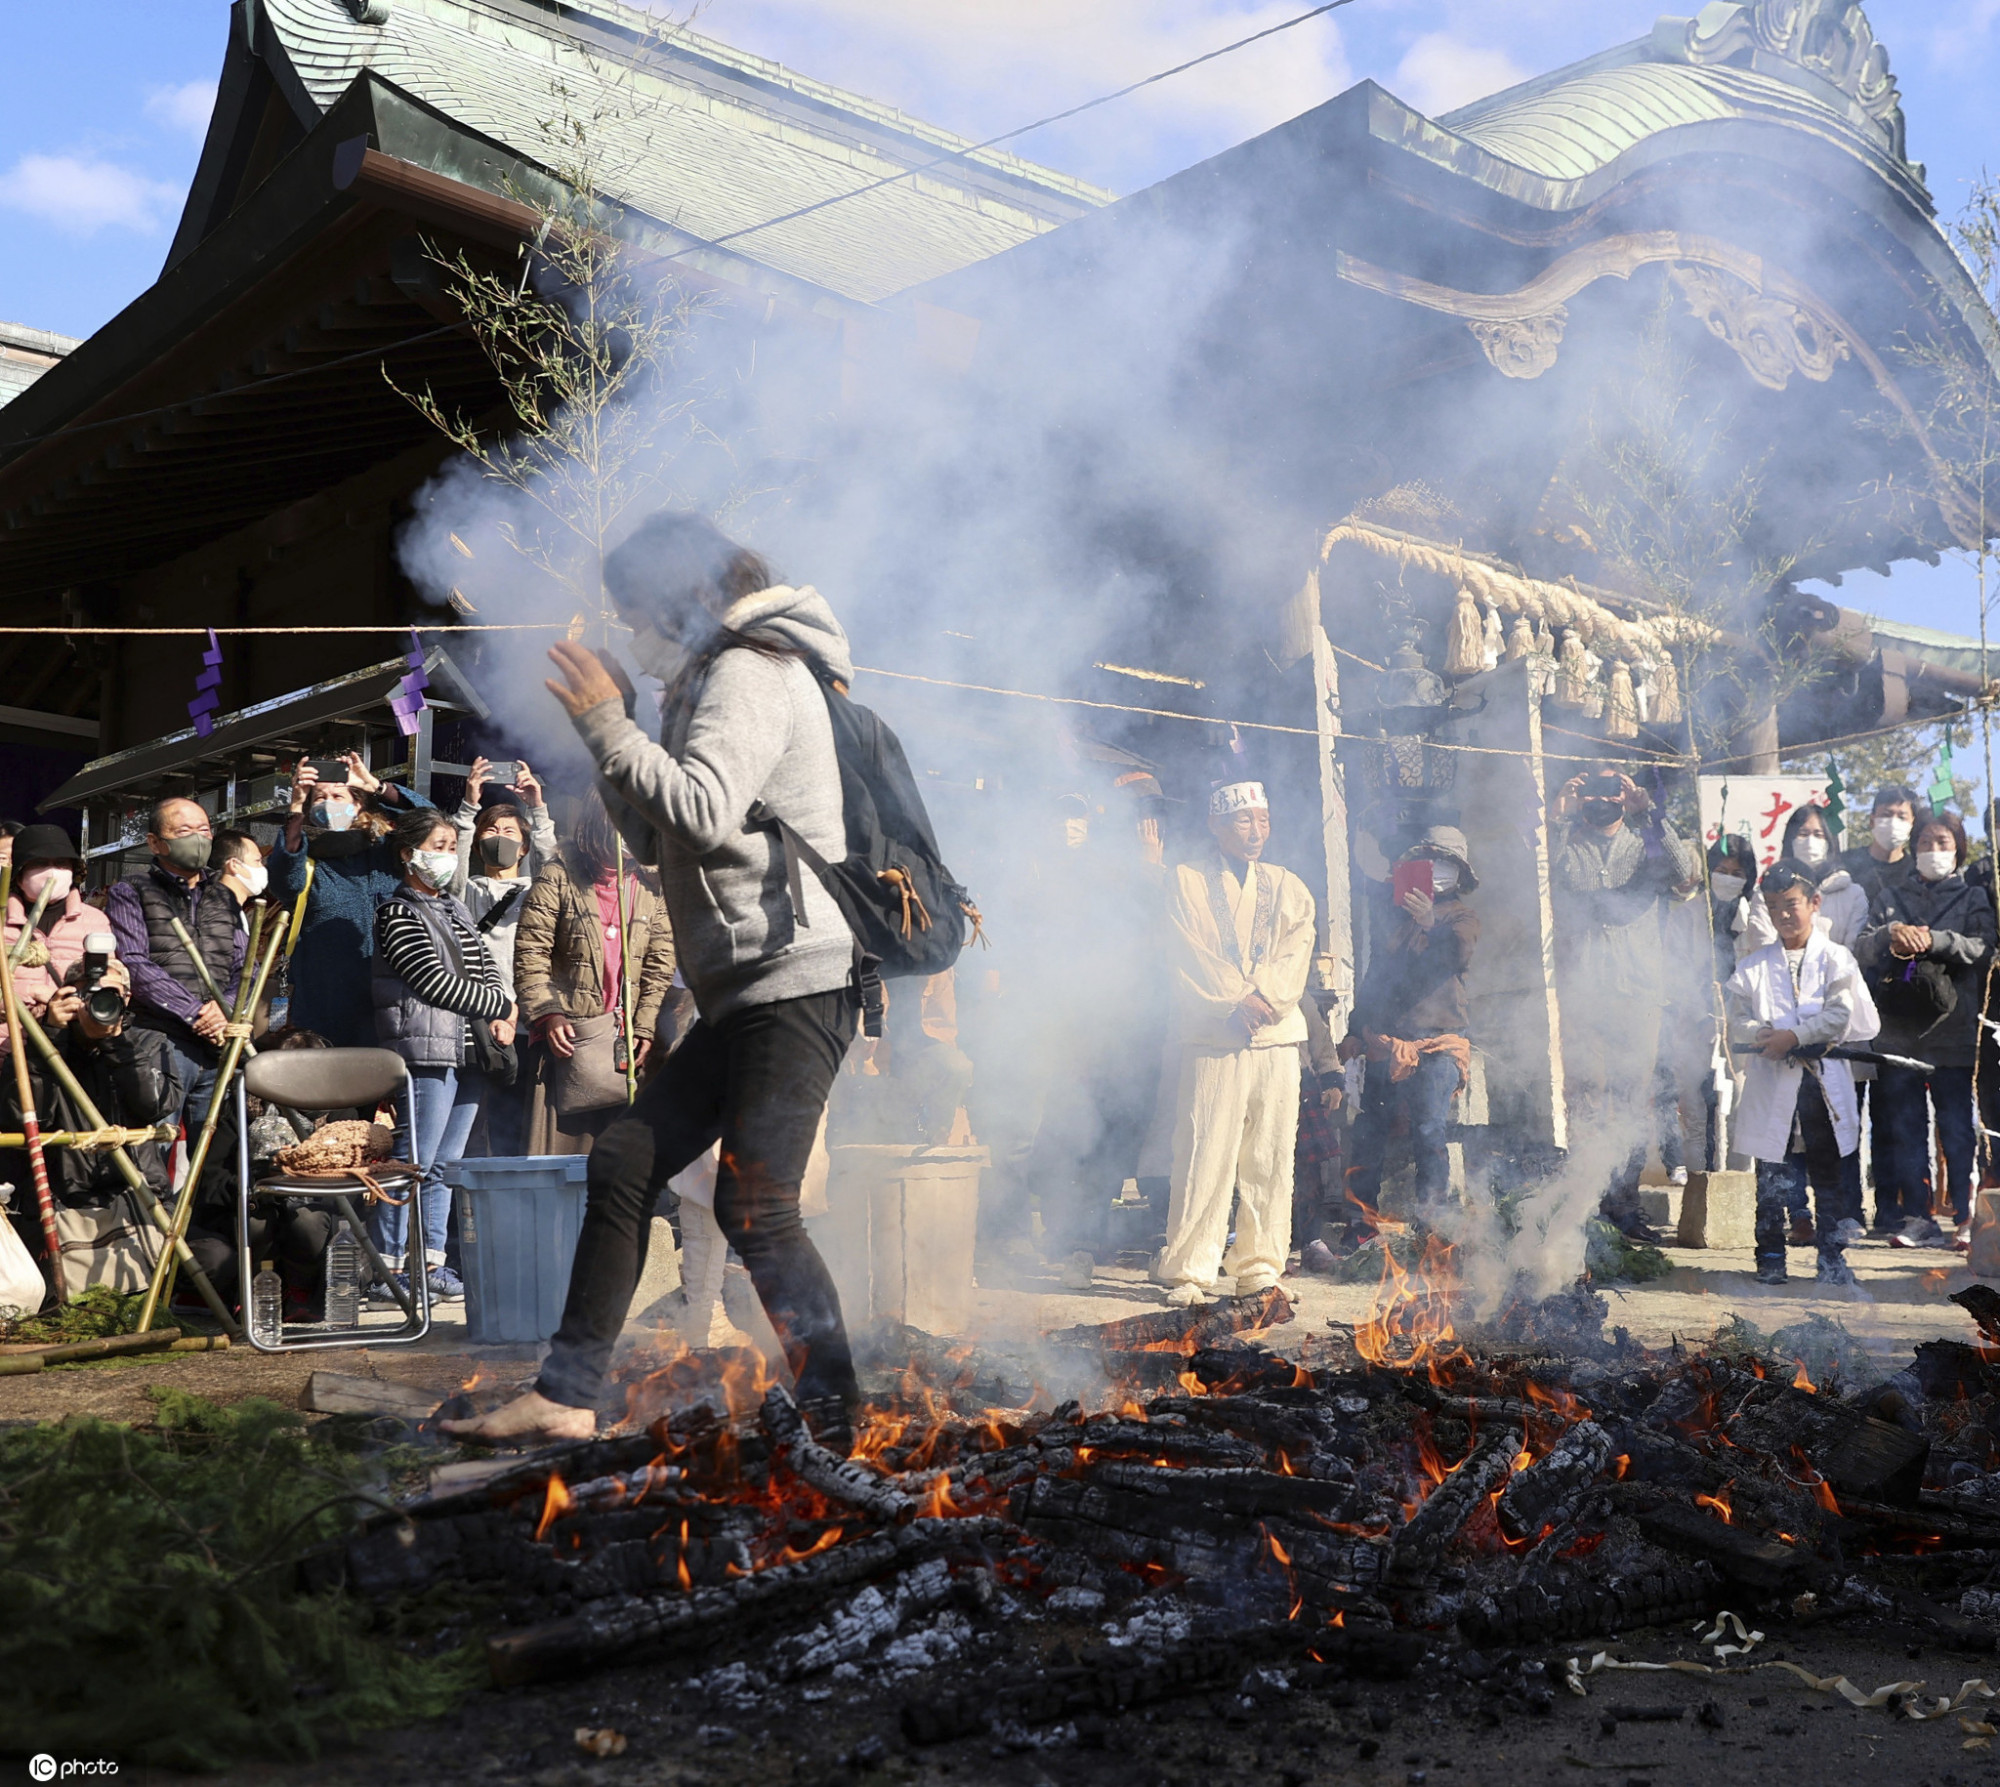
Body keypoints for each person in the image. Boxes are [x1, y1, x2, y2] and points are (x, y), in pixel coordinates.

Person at [444, 510, 863, 1452]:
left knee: (758, 1206)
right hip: (743, 986)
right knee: (628, 1159)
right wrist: (617, 730)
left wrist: (608, 720)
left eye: (635, 608)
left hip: (796, 975)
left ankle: (841, 1415)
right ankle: (568, 1391)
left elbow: (706, 815)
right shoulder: (697, 686)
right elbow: (650, 842)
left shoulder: (752, 671)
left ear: (682, 595)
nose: (629, 627)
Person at [1154, 780, 1317, 1308]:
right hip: (1215, 1032)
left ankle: (1259, 1268)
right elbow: (1188, 951)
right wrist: (1235, 1000)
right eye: (1244, 821)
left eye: (1263, 820)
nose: (1255, 831)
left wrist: (1265, 997)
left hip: (1275, 1034)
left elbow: (1299, 946)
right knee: (1205, 1151)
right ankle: (1189, 1271)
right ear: (1216, 825)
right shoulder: (1185, 881)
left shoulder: (1288, 885)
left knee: (1270, 1155)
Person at [370, 806, 517, 1303]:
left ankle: (431, 1264)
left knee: (443, 1166)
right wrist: (499, 1004)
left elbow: (486, 966)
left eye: (453, 848)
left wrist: (503, 1007)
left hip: (467, 1051)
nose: (447, 857)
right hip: (426, 1051)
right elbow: (432, 982)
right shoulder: (398, 911)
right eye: (438, 847)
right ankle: (389, 1269)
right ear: (409, 854)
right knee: (413, 1159)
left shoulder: (454, 908)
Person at [1547, 767, 1700, 1238]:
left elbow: (1682, 872)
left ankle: (1626, 1205)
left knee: (1632, 1100)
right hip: (1583, 991)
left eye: (1611, 788)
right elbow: (1535, 879)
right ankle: (1588, 1202)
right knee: (1587, 1096)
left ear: (1624, 794)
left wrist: (1649, 814)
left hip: (1639, 991)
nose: (1601, 797)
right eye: (1591, 788)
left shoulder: (1644, 844)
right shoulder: (1568, 845)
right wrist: (1557, 818)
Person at [1724, 863, 1880, 1286]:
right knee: (1772, 1176)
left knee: (1828, 1176)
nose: (1784, 915)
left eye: (1791, 904)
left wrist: (1792, 1036)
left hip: (1820, 1079)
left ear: (1814, 904)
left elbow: (1839, 1016)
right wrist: (1759, 1034)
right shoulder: (1753, 965)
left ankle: (1832, 1258)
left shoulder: (1836, 958)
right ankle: (1770, 1257)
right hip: (1773, 1080)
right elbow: (1735, 1018)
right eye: (1774, 907)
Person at [1854, 810, 1994, 1245]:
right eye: (1926, 843)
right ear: (1912, 850)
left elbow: (1983, 947)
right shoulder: (1889, 897)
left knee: (1957, 1126)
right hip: (1899, 1030)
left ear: (1959, 850)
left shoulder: (1973, 897)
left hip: (1954, 1030)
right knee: (1905, 1126)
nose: (1933, 851)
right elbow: (1860, 946)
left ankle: (1966, 1217)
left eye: (1943, 843)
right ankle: (1918, 1215)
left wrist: (1935, 940)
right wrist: (1890, 935)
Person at [513, 791, 678, 1155]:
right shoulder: (559, 874)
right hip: (571, 1042)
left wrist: (646, 1024)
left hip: (627, 1046)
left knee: (624, 1163)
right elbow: (530, 953)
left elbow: (660, 962)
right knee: (561, 1166)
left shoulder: (652, 885)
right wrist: (548, 1013)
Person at [1340, 825, 1479, 1228]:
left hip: (1436, 1046)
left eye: (1445, 861)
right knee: (1369, 1132)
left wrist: (1431, 922)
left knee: (1430, 1134)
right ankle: (1359, 1222)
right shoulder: (1394, 918)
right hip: (1387, 1042)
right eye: (1429, 859)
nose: (1436, 868)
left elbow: (1458, 953)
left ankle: (1432, 1228)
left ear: (1458, 871)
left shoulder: (1461, 917)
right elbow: (1375, 978)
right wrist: (1355, 1029)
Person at [265, 752, 430, 1048]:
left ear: (358, 805)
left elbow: (433, 824)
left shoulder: (388, 852)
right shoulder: (307, 861)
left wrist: (375, 786)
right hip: (325, 1009)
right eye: (318, 798)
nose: (328, 803)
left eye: (338, 796)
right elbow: (283, 878)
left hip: (394, 1004)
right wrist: (295, 805)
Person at [103, 796, 246, 1127]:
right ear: (155, 842)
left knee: (215, 1153)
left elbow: (245, 966)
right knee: (155, 1141)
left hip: (218, 1041)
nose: (197, 838)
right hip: (161, 1038)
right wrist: (195, 1013)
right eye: (183, 830)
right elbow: (134, 963)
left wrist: (224, 1009)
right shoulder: (132, 889)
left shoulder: (224, 894)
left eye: (204, 829)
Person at [451, 769, 554, 1156]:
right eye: (490, 832)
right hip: (478, 1020)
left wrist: (538, 809)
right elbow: (454, 870)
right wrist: (469, 805)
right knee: (471, 1129)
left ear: (524, 847)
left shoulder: (538, 891)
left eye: (510, 833)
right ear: (477, 845)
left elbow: (554, 864)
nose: (499, 839)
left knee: (518, 1126)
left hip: (528, 1022)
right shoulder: (468, 892)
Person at [0, 823, 110, 1053]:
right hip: (10, 1048)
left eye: (61, 864)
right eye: (40, 864)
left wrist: (72, 1005)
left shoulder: (95, 920)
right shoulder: (2, 920)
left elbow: (112, 981)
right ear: (19, 875)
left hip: (74, 1049)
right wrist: (32, 994)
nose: (52, 871)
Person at [1743, 805, 1868, 952]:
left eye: (1818, 834)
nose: (1810, 841)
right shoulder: (1769, 891)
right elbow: (1762, 942)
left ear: (1830, 842)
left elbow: (1852, 951)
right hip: (1776, 973)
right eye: (1803, 833)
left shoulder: (1853, 894)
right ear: (1790, 840)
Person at [1840, 785, 1921, 908]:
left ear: (1913, 824)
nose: (1893, 822)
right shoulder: (1845, 864)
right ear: (1872, 820)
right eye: (1886, 815)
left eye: (1901, 817)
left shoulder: (1916, 872)